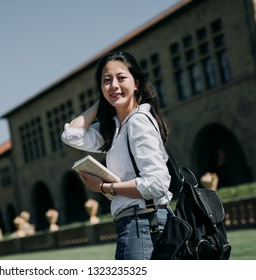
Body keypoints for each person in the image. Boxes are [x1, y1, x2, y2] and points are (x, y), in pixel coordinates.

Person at [61, 50, 173, 260]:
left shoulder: (138, 121)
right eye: (106, 81)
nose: (114, 85)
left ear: (136, 82)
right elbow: (71, 135)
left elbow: (157, 184)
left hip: (143, 223)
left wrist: (104, 187)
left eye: (121, 78)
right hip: (133, 224)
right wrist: (104, 100)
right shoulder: (115, 128)